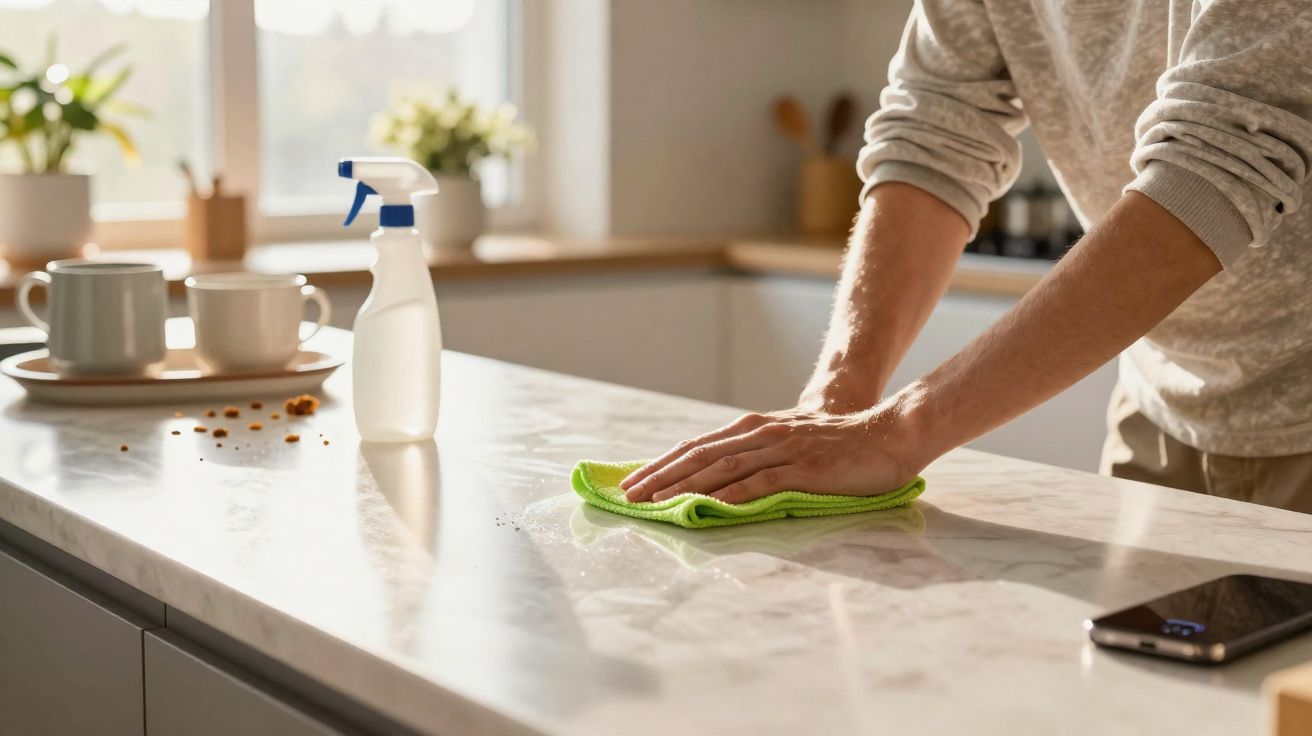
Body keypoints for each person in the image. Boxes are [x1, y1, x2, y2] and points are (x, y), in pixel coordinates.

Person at [621, 0, 1312, 512]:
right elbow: (934, 129)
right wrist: (838, 397)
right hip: (1161, 407)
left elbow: (1216, 169)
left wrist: (898, 434)